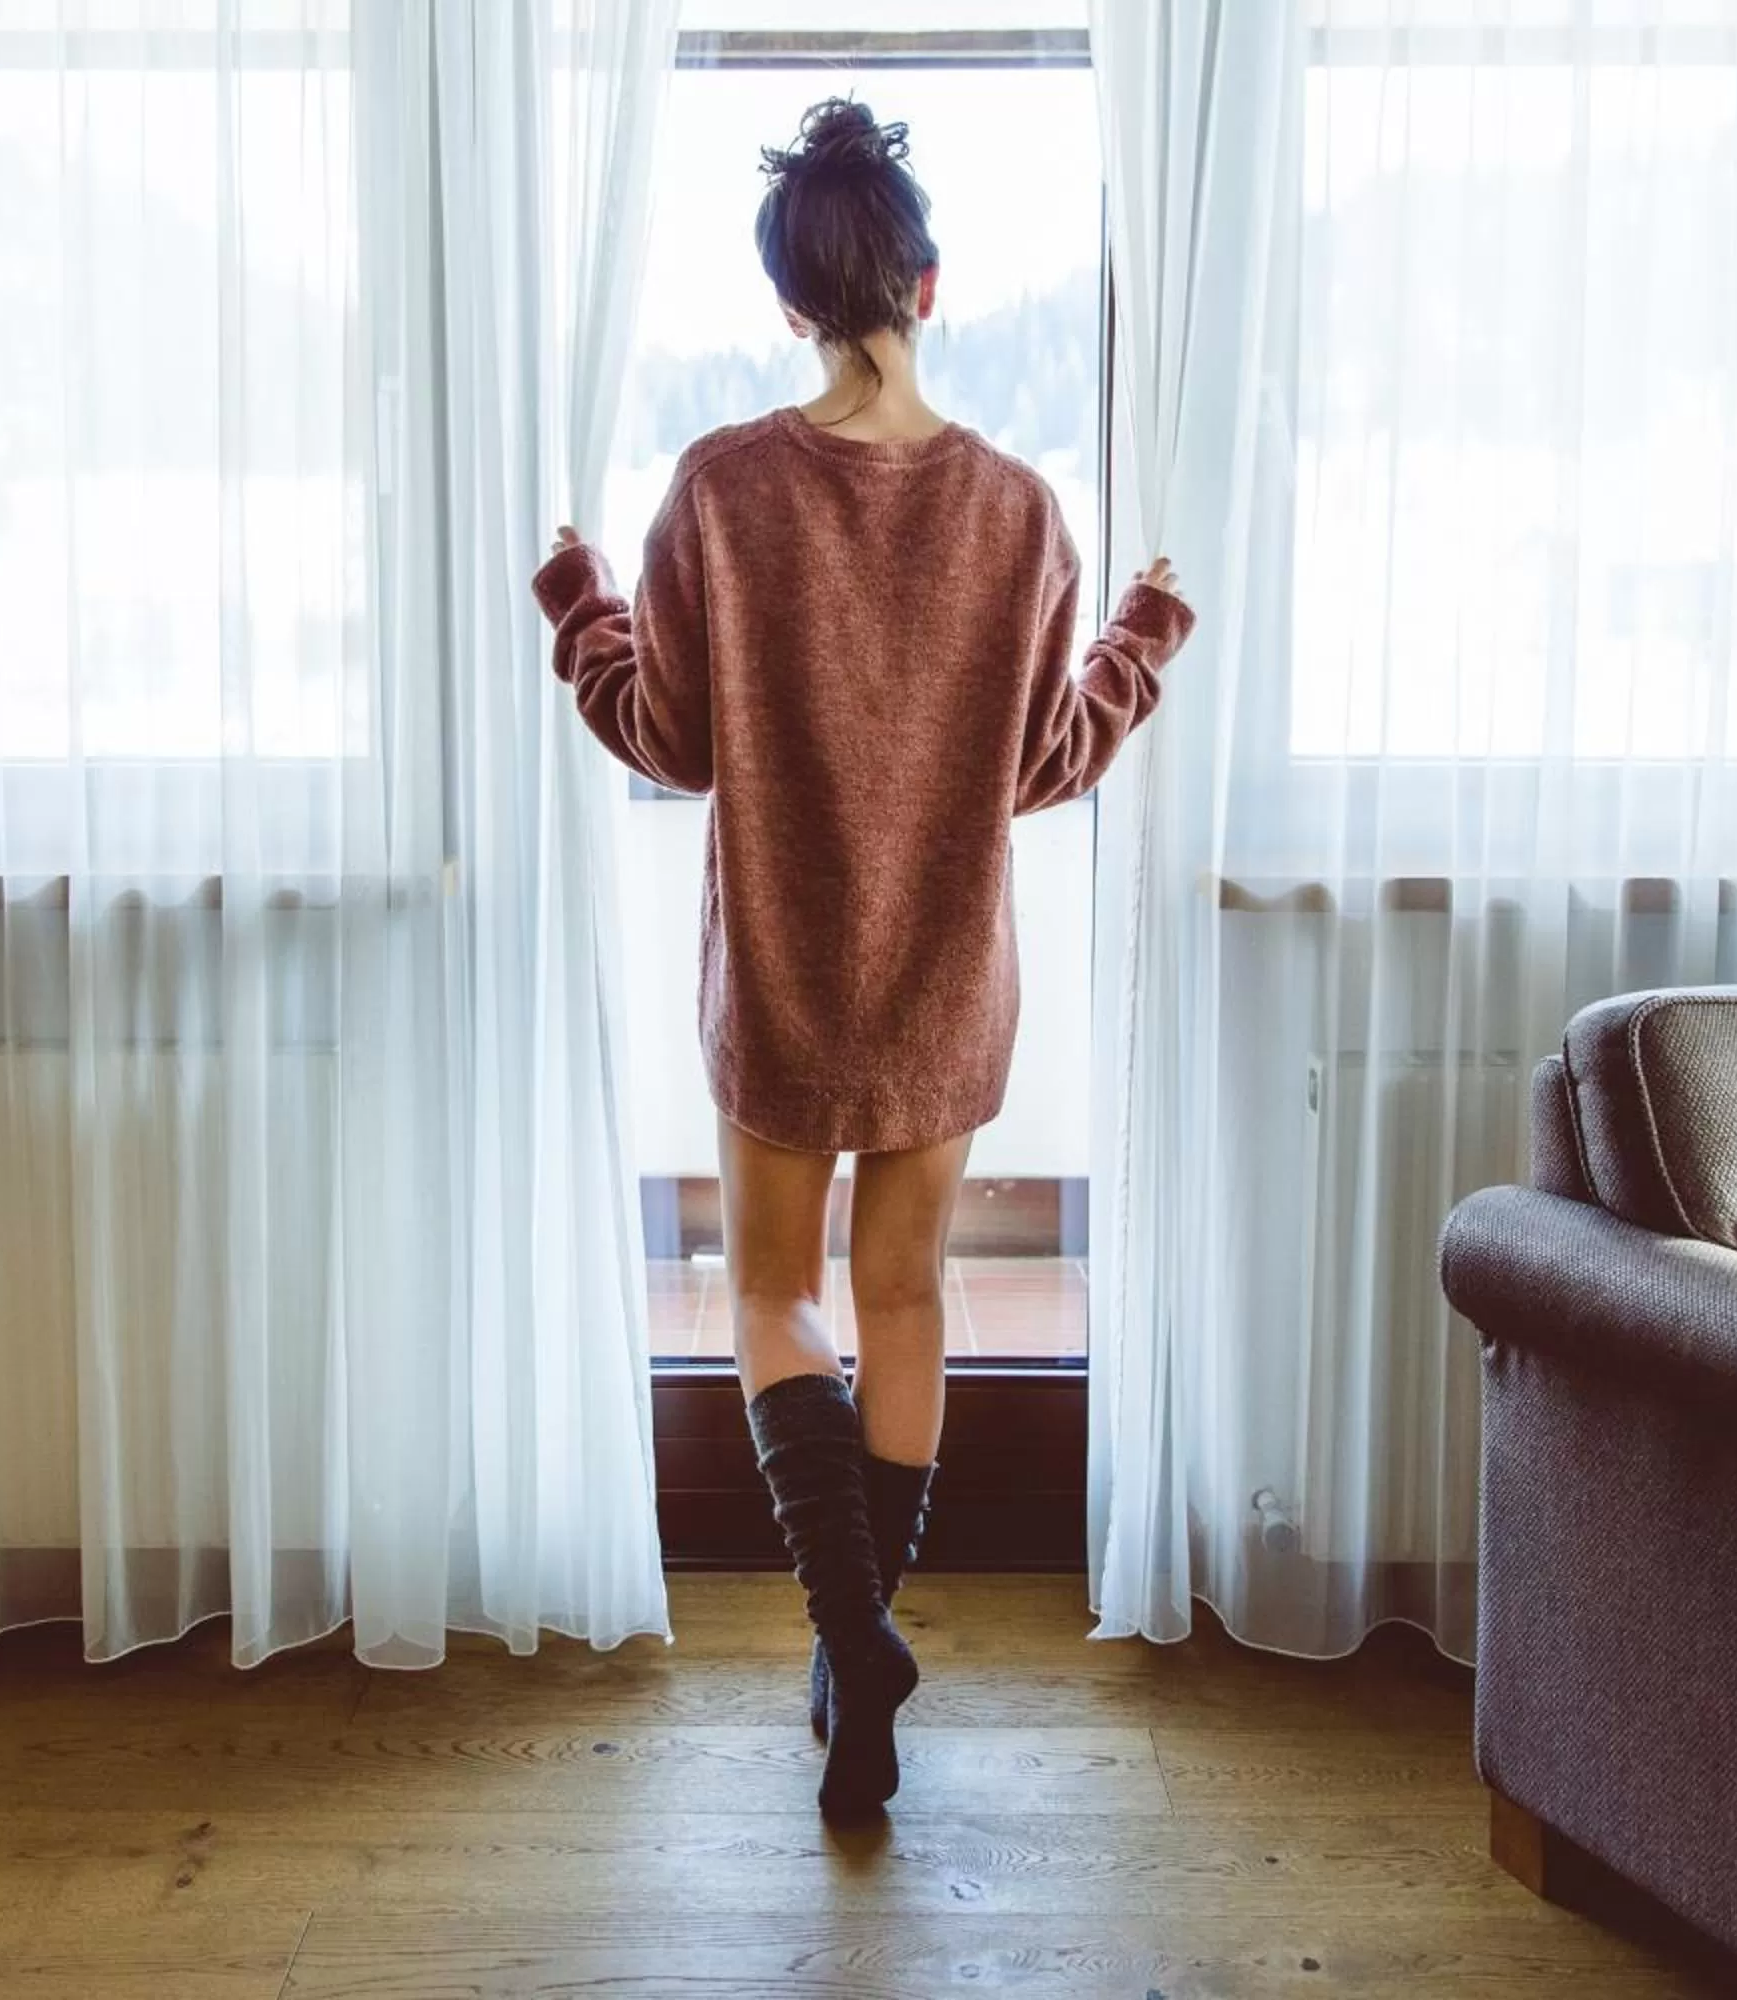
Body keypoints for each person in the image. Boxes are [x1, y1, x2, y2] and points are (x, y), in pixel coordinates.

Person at [531, 97, 1192, 1818]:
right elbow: (1046, 761)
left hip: (783, 971)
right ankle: (862, 1648)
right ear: (928, 281)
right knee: (903, 1295)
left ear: (791, 304)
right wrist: (1143, 636)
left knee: (766, 1293)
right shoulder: (1020, 513)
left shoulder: (722, 489)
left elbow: (662, 738)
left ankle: (848, 1636)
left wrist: (578, 606)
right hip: (944, 976)